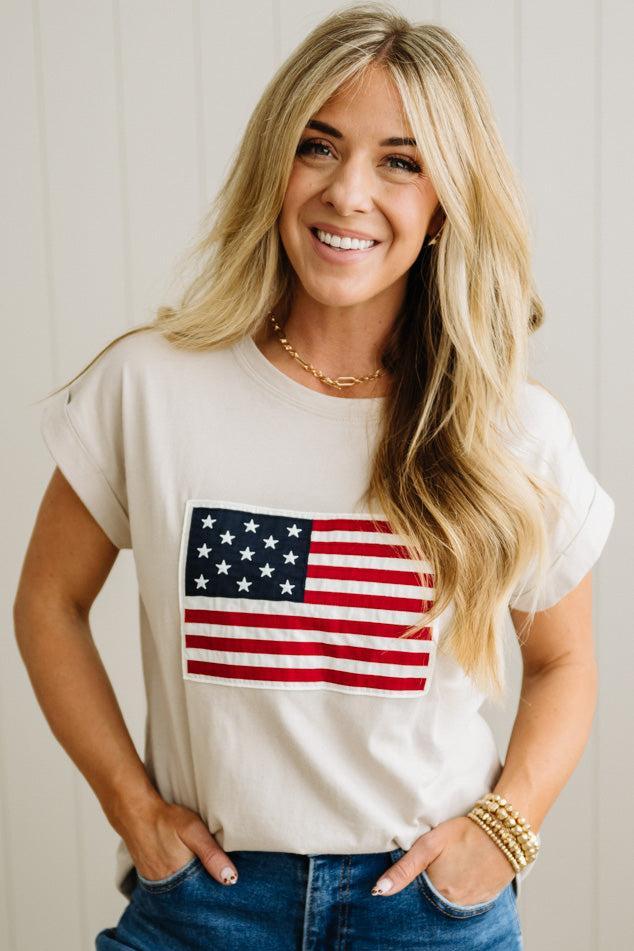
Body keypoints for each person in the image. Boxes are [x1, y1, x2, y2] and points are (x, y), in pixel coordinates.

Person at [14, 3, 615, 949]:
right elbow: (47, 601)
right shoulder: (151, 385)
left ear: (446, 200)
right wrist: (130, 804)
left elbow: (564, 660)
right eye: (319, 146)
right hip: (201, 904)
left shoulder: (509, 426)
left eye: (401, 161)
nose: (348, 193)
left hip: (421, 910)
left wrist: (502, 834)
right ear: (274, 164)